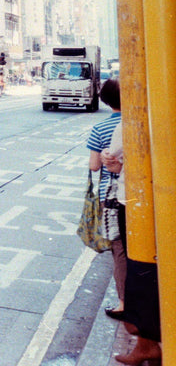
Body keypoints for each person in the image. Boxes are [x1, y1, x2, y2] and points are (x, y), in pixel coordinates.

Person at [102, 126, 163, 365]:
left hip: (139, 201)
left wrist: (110, 157)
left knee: (142, 270)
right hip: (150, 195)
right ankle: (146, 344)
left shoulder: (136, 115)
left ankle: (145, 340)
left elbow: (113, 154)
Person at [86, 78, 125, 319]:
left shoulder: (100, 129)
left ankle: (124, 302)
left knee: (119, 248)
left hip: (111, 196)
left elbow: (93, 166)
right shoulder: (141, 121)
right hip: (140, 192)